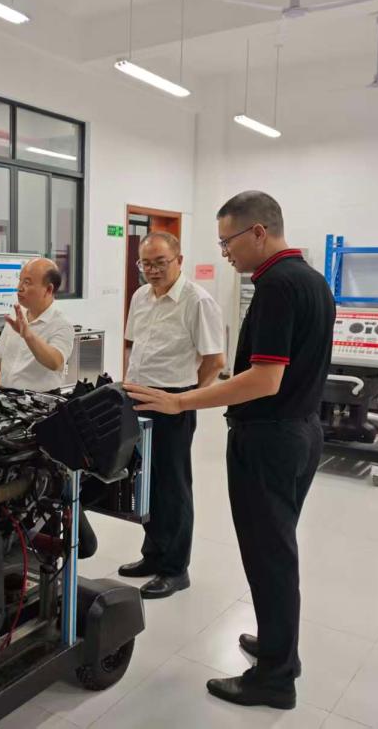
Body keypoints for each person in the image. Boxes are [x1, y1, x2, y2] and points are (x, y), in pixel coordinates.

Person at [126, 192, 335, 710]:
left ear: (258, 232)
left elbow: (264, 380)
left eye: (228, 242)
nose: (225, 253)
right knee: (275, 551)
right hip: (301, 431)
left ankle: (275, 679)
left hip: (270, 438)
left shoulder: (277, 286)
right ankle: (279, 647)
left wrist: (181, 402)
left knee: (269, 557)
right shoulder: (311, 280)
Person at [118, 232, 226, 600]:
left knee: (173, 485)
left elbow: (215, 361)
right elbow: (134, 347)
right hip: (137, 397)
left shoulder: (197, 301)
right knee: (145, 482)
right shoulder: (140, 297)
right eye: (145, 263)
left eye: (160, 263)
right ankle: (153, 554)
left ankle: (176, 568)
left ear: (179, 260)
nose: (152, 270)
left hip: (173, 401)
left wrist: (185, 400)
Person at [0, 257, 75, 392]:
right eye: (20, 280)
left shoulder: (61, 324)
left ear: (48, 289)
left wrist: (28, 336)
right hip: (6, 398)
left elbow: (56, 362)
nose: (19, 288)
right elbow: (2, 360)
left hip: (38, 402)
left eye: (27, 282)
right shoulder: (17, 315)